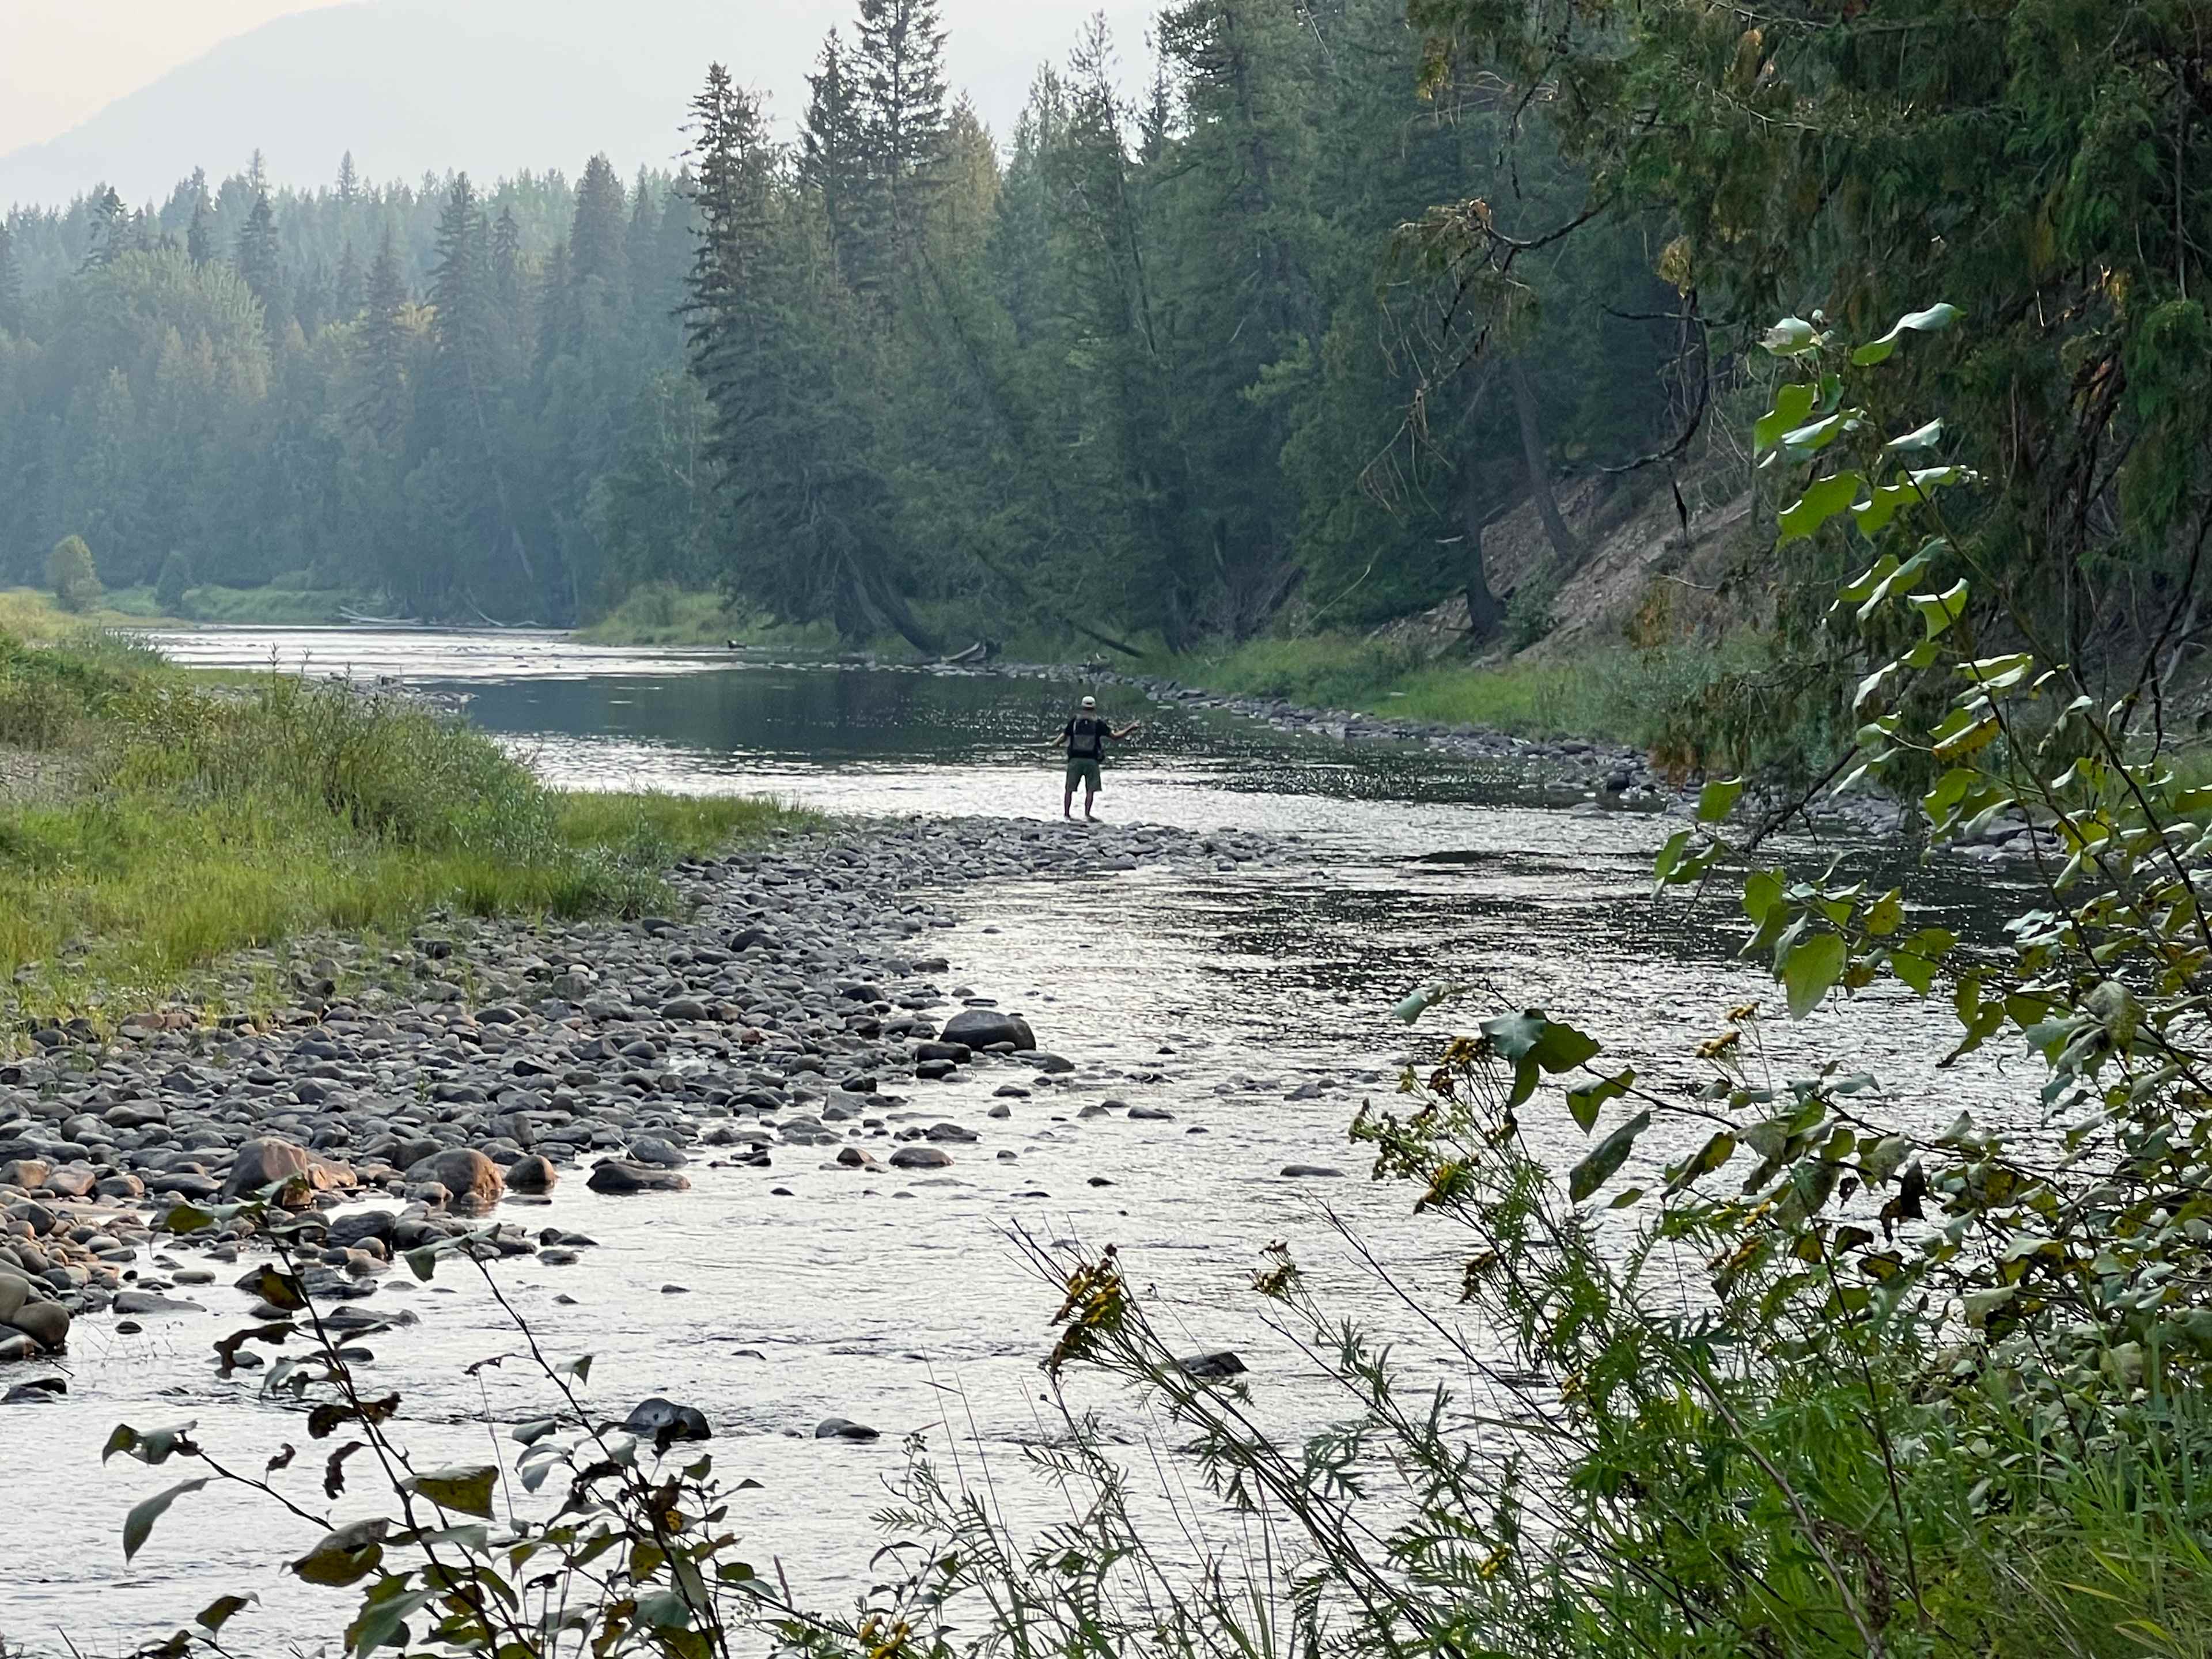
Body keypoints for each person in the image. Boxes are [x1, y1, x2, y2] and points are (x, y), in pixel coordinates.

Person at [1048, 694, 1139, 821]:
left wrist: (1054, 744)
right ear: (1094, 708)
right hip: (1092, 761)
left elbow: (1064, 736)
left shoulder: (1074, 721)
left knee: (1069, 789)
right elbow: (1115, 737)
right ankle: (1087, 814)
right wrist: (1130, 728)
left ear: (1082, 707)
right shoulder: (1098, 723)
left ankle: (1067, 815)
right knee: (1090, 790)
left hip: (1075, 760)